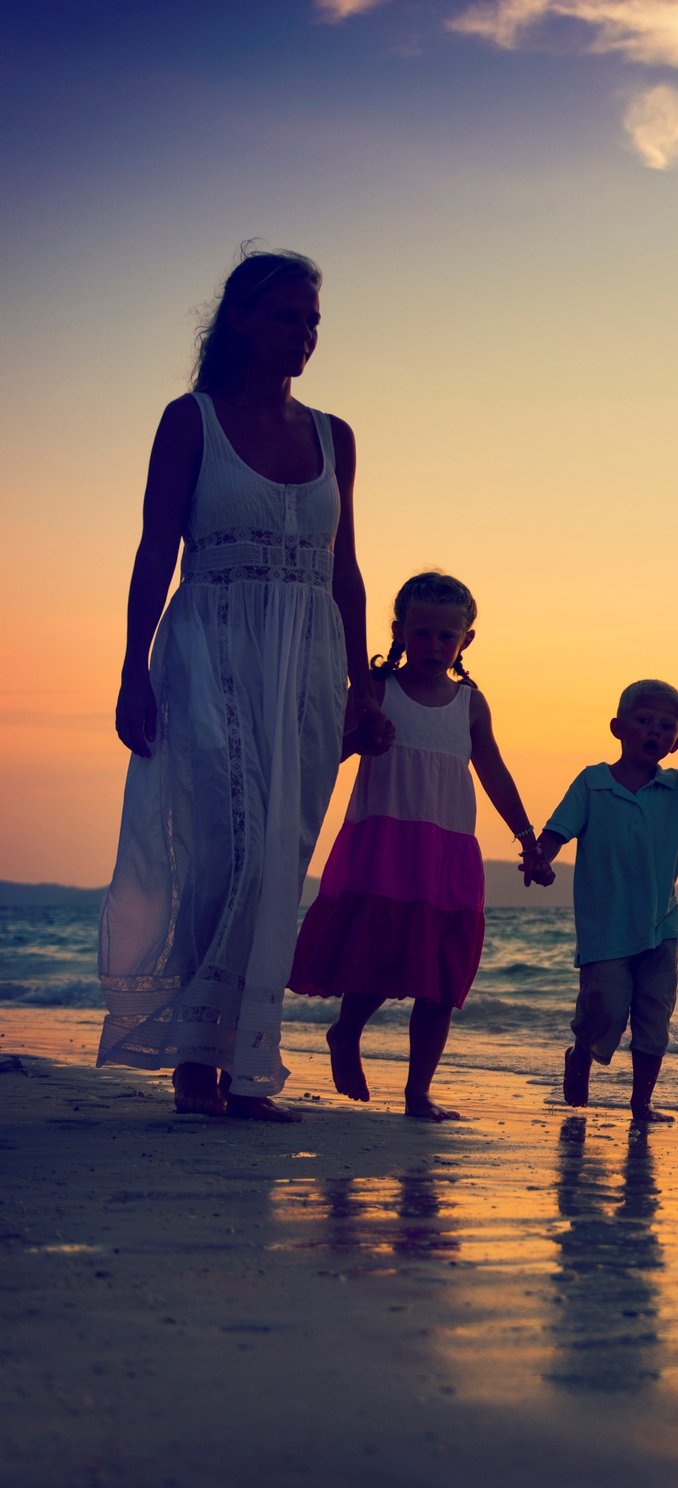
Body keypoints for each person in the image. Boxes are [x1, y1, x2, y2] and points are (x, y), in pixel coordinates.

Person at [99, 246, 392, 1122]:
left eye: (312, 320)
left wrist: (361, 686)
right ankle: (198, 1062)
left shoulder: (334, 435)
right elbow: (157, 548)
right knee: (225, 848)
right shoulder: (191, 420)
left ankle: (247, 1064)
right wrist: (129, 668)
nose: (303, 334)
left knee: (277, 859)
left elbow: (347, 570)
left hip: (306, 664)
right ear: (238, 321)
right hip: (209, 651)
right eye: (286, 316)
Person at [289, 571, 549, 1120]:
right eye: (422, 633)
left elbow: (494, 771)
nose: (433, 646)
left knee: (442, 974)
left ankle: (417, 1092)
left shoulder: (471, 703)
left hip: (448, 852)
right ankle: (347, 1033)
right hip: (383, 844)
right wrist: (360, 738)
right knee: (376, 958)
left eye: (445, 637)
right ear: (400, 631)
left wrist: (527, 838)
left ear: (466, 641)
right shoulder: (376, 691)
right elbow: (325, 753)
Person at [534, 680, 678, 1125]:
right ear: (618, 727)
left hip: (661, 928)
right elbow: (556, 832)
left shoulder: (676, 787)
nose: (653, 732)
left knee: (654, 1018)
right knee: (604, 1010)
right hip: (606, 929)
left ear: (677, 742)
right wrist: (541, 861)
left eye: (665, 727)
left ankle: (641, 1103)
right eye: (644, 721)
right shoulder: (593, 783)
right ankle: (581, 1054)